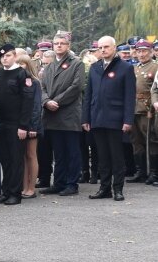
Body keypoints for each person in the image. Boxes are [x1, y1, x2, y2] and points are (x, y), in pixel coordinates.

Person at [84, 36, 135, 201]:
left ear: (114, 48)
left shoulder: (125, 68)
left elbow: (129, 97)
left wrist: (128, 120)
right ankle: (104, 188)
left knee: (116, 156)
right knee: (102, 156)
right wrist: (86, 118)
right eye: (100, 47)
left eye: (106, 47)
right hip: (97, 118)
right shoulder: (94, 68)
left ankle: (118, 189)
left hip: (116, 118)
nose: (103, 50)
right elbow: (88, 95)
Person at [39, 32, 85, 196]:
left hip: (68, 113)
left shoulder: (76, 64)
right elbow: (42, 87)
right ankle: (59, 182)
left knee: (72, 151)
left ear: (68, 46)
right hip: (52, 115)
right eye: (56, 43)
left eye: (62, 43)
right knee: (58, 152)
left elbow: (76, 87)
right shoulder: (49, 66)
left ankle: (72, 183)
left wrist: (56, 101)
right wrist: (46, 101)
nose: (59, 46)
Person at [0, 44, 33, 205]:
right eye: (2, 57)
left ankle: (15, 193)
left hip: (16, 124)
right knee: (5, 159)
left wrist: (23, 126)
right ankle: (5, 191)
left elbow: (27, 101)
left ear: (14, 56)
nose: (4, 59)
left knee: (16, 159)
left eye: (7, 56)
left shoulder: (22, 74)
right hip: (0, 123)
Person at [127, 40, 158, 183]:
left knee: (151, 140)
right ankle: (140, 171)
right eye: (139, 51)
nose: (141, 54)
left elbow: (155, 90)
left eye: (144, 51)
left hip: (148, 109)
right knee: (136, 141)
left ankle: (153, 172)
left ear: (151, 51)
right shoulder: (134, 68)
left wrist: (152, 106)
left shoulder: (155, 67)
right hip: (134, 108)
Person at [16, 54, 43, 198]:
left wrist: (32, 127)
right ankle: (24, 187)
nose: (20, 66)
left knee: (31, 155)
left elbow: (36, 107)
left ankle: (31, 187)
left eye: (23, 63)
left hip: (32, 126)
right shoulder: (16, 81)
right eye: (18, 63)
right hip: (19, 124)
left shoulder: (34, 82)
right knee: (23, 156)